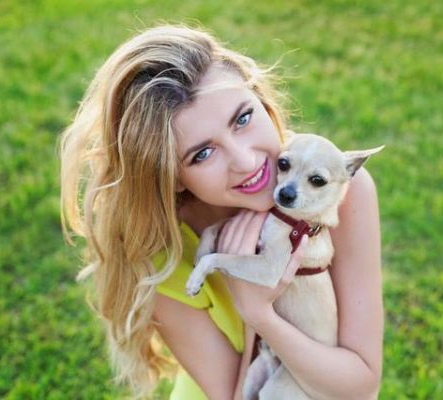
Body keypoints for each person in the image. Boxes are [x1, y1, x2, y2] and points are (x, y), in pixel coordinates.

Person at [60, 24, 383, 399]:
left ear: (261, 100)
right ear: (172, 177)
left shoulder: (335, 189)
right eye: (202, 154)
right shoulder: (164, 257)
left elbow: (361, 386)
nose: (245, 162)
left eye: (242, 119)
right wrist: (254, 312)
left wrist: (262, 315)